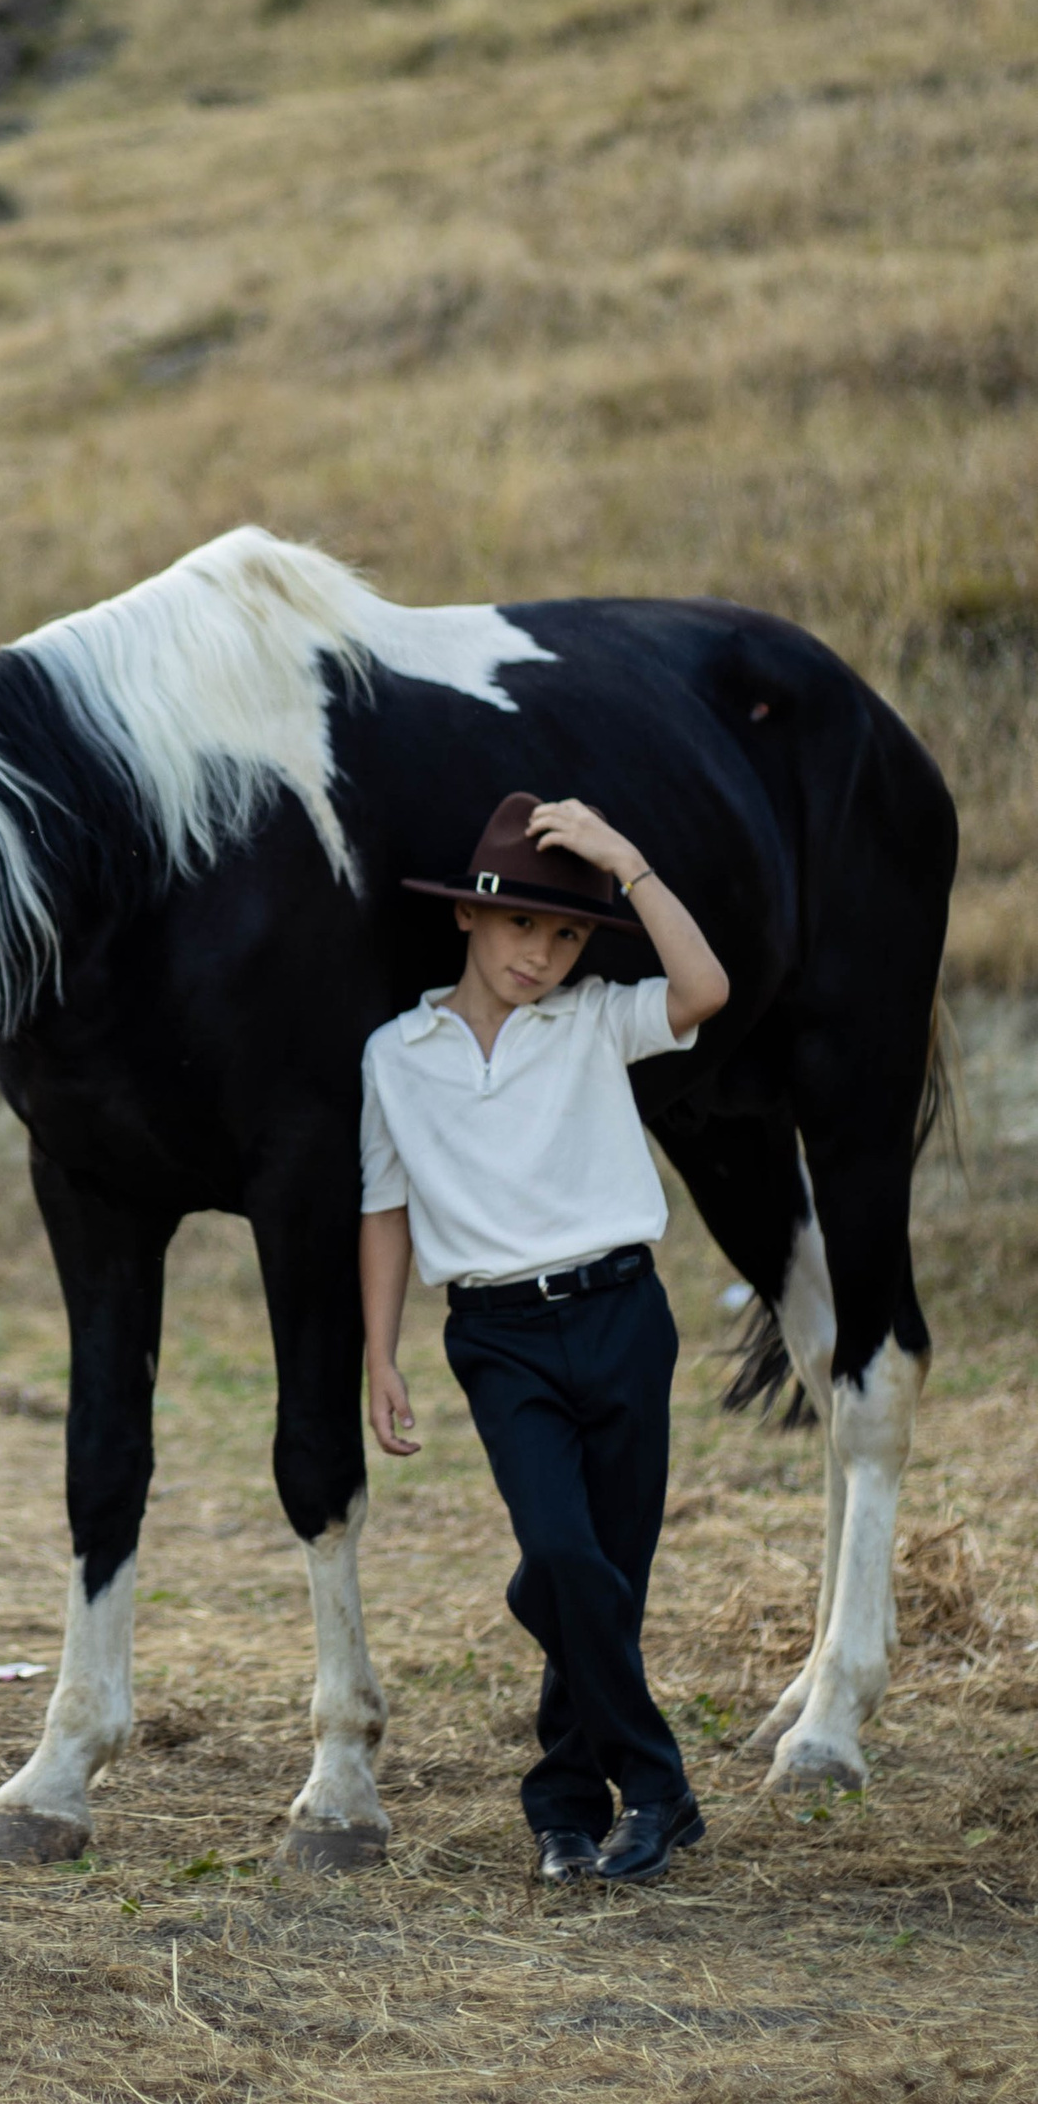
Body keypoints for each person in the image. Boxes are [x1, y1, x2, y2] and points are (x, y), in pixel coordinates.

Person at [360, 790, 731, 1890]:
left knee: (598, 1576)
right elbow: (382, 1205)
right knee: (569, 1562)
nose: (545, 953)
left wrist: (629, 860)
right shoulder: (397, 1052)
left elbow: (704, 987)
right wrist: (380, 1353)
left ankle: (567, 1808)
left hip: (623, 1315)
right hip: (500, 1335)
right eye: (524, 924)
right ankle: (658, 1787)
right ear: (469, 919)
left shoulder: (595, 1020)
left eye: (568, 933)